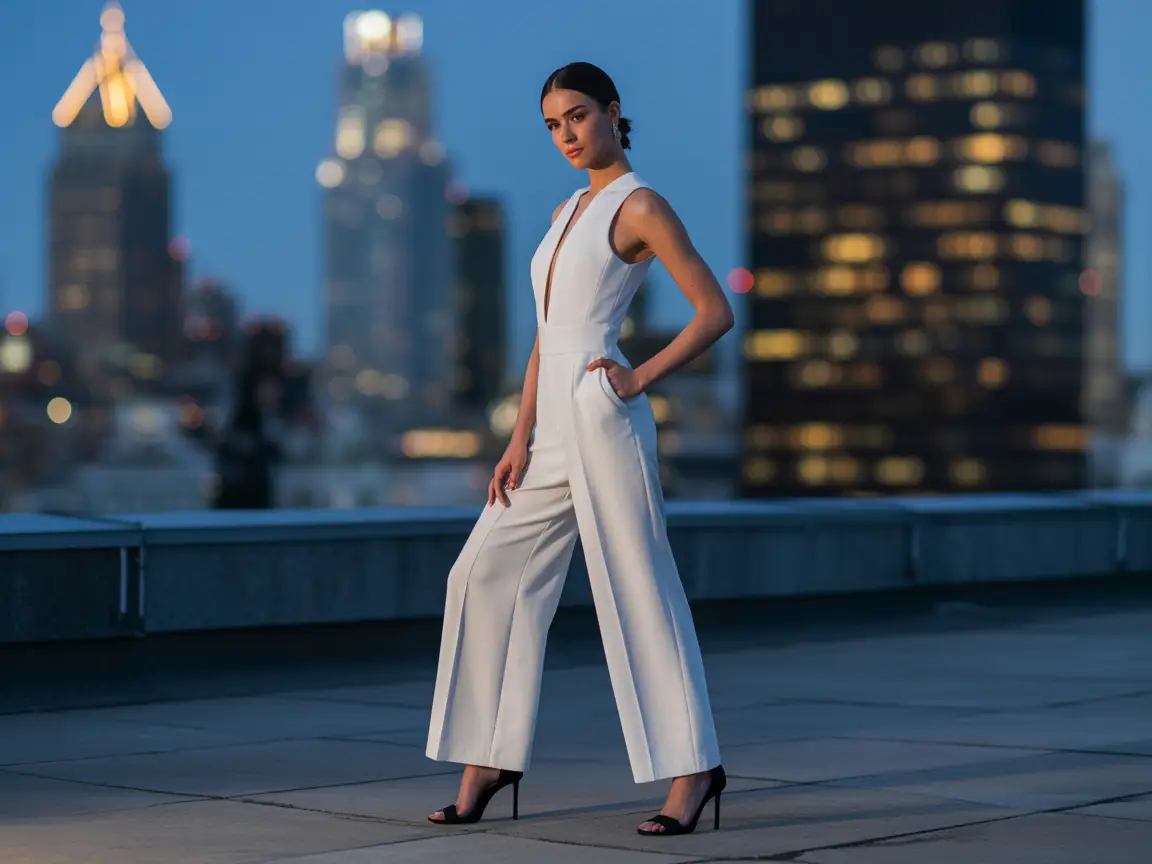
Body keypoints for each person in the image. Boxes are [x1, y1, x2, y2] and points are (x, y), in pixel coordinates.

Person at [425, 61, 733, 837]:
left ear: (613, 112)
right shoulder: (567, 211)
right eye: (553, 124)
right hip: (549, 426)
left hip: (602, 414)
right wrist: (519, 435)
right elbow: (546, 336)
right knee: (482, 572)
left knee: (637, 585)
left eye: (578, 117)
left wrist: (638, 379)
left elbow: (713, 312)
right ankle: (488, 758)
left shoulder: (640, 204)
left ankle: (692, 771)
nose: (566, 134)